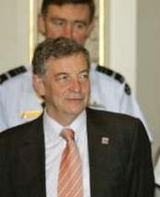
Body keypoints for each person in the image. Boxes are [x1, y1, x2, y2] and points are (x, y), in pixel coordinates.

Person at [0, 37, 154, 197]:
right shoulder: (9, 147)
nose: (77, 88)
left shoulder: (125, 135)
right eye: (63, 78)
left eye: (83, 76)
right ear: (39, 84)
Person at [0, 0, 151, 140]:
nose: (68, 34)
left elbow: (136, 148)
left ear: (90, 28)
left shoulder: (114, 90)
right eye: (59, 23)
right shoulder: (8, 90)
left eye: (78, 25)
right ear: (41, 23)